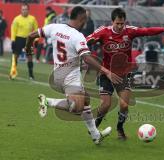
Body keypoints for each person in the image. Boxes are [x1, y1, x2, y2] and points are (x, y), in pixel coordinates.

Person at [25, 6, 122, 144]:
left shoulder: (54, 27)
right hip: (71, 78)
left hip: (58, 75)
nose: (85, 23)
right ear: (82, 19)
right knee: (77, 107)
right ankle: (47, 101)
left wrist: (28, 49)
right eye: (85, 20)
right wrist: (107, 71)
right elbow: (87, 57)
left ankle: (95, 135)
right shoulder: (78, 36)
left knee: (86, 100)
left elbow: (30, 36)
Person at [86, 8, 164, 140]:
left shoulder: (130, 31)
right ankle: (95, 126)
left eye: (122, 23)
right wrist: (89, 42)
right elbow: (86, 41)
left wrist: (163, 29)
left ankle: (119, 127)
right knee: (105, 105)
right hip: (107, 74)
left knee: (124, 105)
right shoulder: (103, 32)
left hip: (124, 73)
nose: (120, 26)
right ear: (112, 22)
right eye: (118, 23)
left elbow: (146, 31)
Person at [9, 3, 38, 80]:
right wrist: (13, 40)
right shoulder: (16, 19)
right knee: (15, 57)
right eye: (23, 9)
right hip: (19, 39)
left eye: (26, 9)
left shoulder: (32, 19)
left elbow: (36, 30)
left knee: (30, 57)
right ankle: (12, 74)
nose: (24, 11)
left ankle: (31, 75)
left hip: (29, 39)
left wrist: (36, 39)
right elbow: (13, 30)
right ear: (21, 10)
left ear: (28, 10)